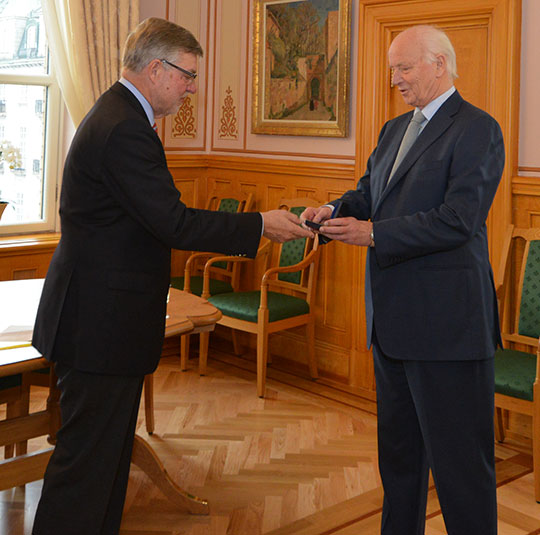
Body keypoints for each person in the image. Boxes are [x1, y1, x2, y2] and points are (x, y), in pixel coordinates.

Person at [31, 17, 313, 535]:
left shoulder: (121, 117)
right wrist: (258, 224)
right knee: (86, 467)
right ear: (157, 69)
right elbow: (173, 221)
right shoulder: (124, 129)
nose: (191, 87)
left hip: (101, 320)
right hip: (100, 326)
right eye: (187, 75)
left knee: (106, 459)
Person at [302, 25, 504, 535]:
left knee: (461, 472)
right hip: (392, 327)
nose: (395, 79)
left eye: (404, 67)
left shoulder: (477, 128)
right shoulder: (395, 129)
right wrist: (333, 211)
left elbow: (459, 219)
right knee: (400, 465)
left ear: (440, 64)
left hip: (448, 331)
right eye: (393, 68)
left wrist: (374, 235)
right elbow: (370, 193)